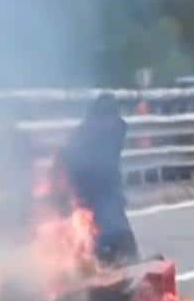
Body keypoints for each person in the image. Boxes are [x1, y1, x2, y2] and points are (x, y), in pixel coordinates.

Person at [56, 94, 139, 266]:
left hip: (108, 196)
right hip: (88, 198)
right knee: (94, 242)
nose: (109, 123)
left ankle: (123, 261)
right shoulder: (82, 136)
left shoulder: (114, 130)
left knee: (119, 234)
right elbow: (67, 166)